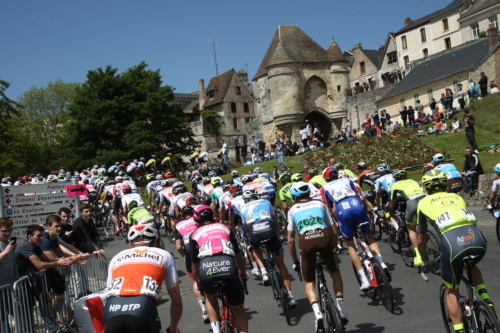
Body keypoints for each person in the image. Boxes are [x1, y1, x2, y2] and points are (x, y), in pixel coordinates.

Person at [416, 171, 493, 333]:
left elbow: (421, 239)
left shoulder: (422, 204)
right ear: (445, 185)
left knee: (451, 291)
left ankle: (458, 330)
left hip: (452, 244)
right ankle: (486, 299)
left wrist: (422, 260)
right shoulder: (457, 198)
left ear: (426, 188)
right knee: (469, 264)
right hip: (477, 239)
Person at [287, 182, 347, 332]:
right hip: (324, 238)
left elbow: (290, 240)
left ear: (294, 197)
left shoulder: (292, 209)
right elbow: (333, 230)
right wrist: (335, 248)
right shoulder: (320, 204)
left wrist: (295, 261)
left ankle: (318, 314)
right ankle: (341, 308)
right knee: (334, 272)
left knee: (309, 282)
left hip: (306, 242)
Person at [321, 167, 390, 290]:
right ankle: (383, 264)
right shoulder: (348, 180)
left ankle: (364, 280)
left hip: (342, 208)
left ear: (325, 179)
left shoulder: (324, 188)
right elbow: (360, 197)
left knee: (350, 244)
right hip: (356, 204)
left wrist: (337, 223)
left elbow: (329, 210)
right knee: (369, 237)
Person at [104, 224, 182, 333]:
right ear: (155, 242)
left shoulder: (116, 257)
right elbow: (176, 300)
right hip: (142, 308)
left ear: (130, 245)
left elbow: (108, 293)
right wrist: (173, 329)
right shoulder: (164, 255)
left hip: (111, 310)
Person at [189, 206, 248, 333]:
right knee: (238, 310)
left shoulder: (194, 234)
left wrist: (197, 282)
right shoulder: (225, 228)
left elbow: (195, 266)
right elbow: (239, 257)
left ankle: (216, 330)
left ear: (196, 222)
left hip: (206, 268)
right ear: (213, 217)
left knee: (210, 297)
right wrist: (243, 274)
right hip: (228, 266)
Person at [240, 189, 296, 306]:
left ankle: (264, 272)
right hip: (269, 230)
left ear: (246, 200)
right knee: (281, 264)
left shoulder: (243, 208)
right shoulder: (266, 202)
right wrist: (279, 235)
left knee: (254, 248)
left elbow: (246, 229)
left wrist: (250, 241)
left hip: (255, 232)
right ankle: (290, 296)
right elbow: (275, 221)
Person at [387, 169, 427, 265]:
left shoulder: (395, 185)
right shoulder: (413, 181)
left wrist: (389, 213)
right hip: (425, 199)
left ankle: (418, 255)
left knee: (411, 229)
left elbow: (392, 204)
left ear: (395, 178)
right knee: (423, 226)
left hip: (412, 201)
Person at [0, 218, 17, 333]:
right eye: (4, 231)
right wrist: (5, 252)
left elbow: (14, 264)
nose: (8, 233)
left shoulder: (9, 243)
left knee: (20, 314)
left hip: (11, 286)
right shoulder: (5, 247)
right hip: (1, 287)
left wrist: (17, 279)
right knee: (3, 320)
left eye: (10, 230)